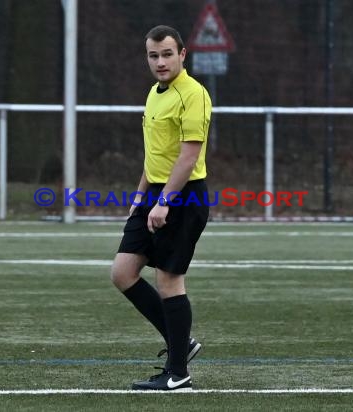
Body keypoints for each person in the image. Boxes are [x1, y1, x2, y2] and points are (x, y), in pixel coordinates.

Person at [110, 25, 212, 391]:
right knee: (123, 273)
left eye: (167, 54)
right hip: (154, 193)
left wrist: (165, 201)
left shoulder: (194, 94)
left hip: (183, 197)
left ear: (182, 54)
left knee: (169, 280)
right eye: (153, 55)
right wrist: (141, 197)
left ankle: (178, 372)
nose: (160, 62)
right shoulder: (154, 93)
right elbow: (155, 155)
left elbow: (187, 157)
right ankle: (181, 343)